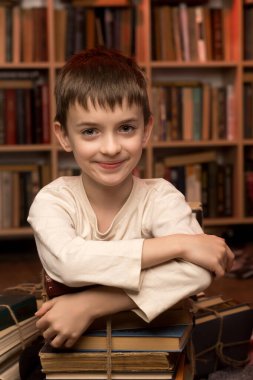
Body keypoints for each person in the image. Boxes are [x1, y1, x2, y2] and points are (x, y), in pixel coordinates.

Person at [27, 46, 234, 349]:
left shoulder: (160, 196)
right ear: (63, 136)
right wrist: (180, 244)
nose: (111, 148)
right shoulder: (52, 201)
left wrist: (91, 304)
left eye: (126, 128)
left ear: (147, 129)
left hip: (149, 346)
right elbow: (69, 263)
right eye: (90, 131)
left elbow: (199, 271)